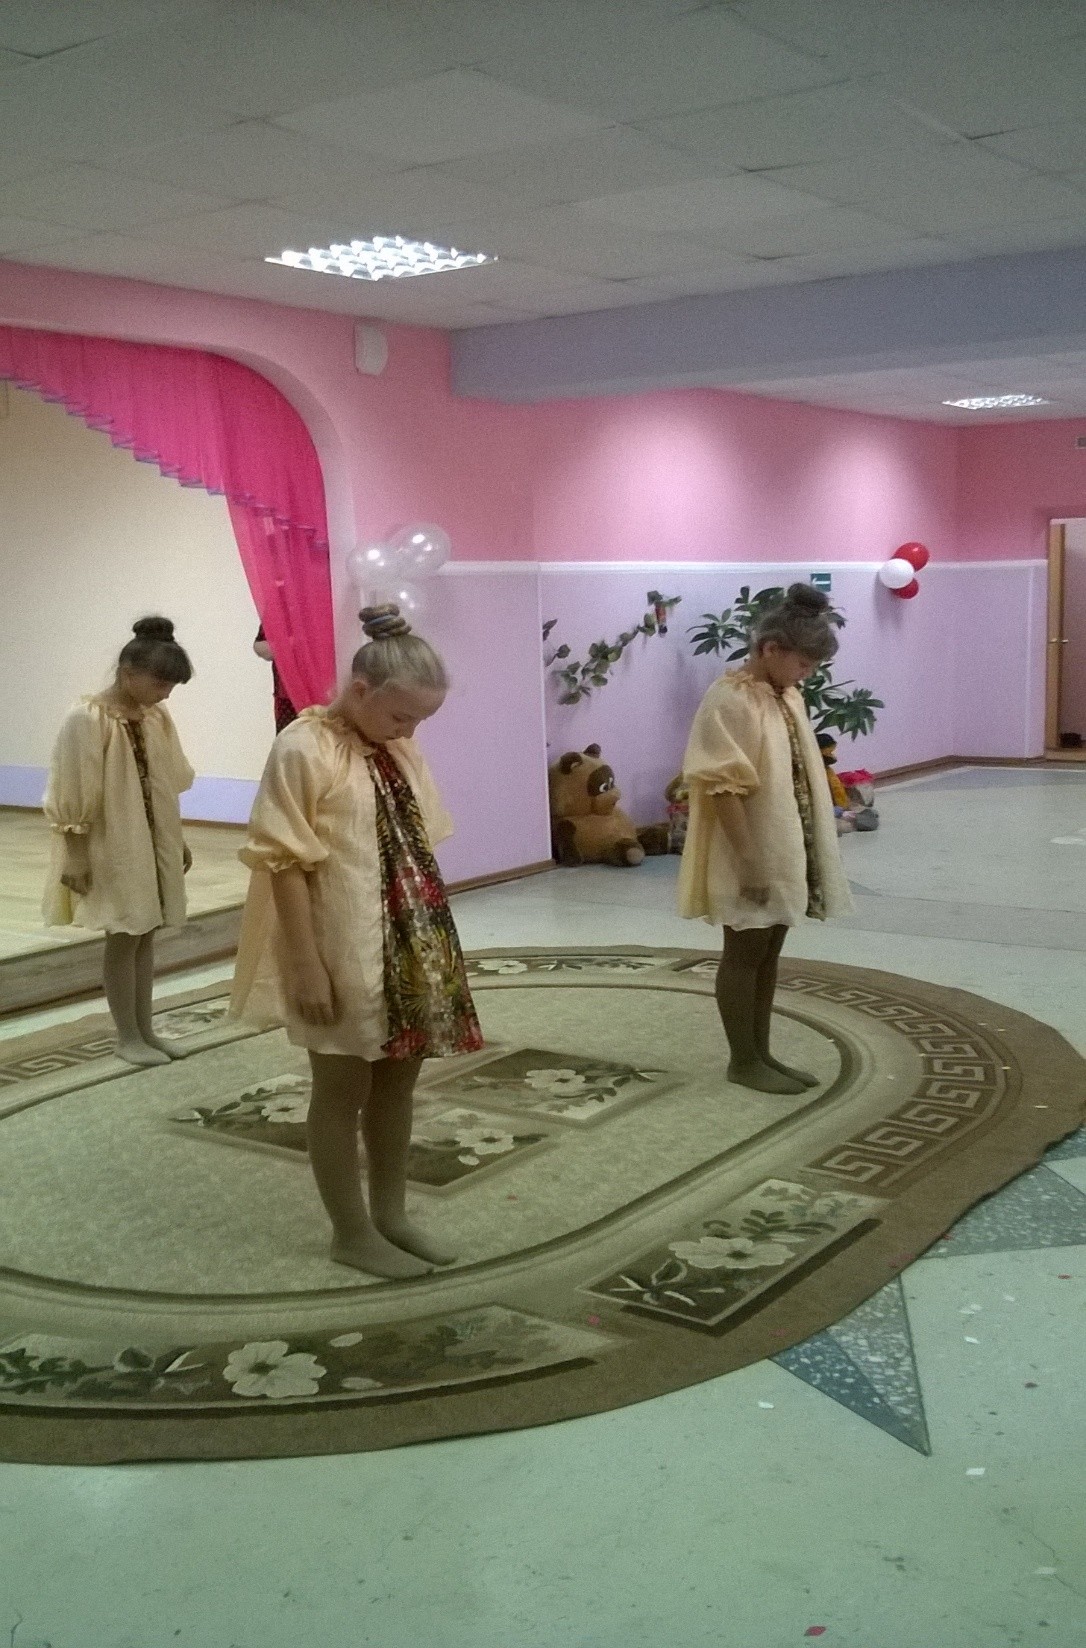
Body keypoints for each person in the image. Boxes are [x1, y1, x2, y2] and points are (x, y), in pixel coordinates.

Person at [230, 604, 483, 1279]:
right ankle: (350, 1231)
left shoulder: (396, 748)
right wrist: (305, 964)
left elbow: (416, 841)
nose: (409, 731)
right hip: (340, 944)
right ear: (362, 690)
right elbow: (282, 861)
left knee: (399, 1083)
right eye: (401, 716)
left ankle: (391, 1215)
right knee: (341, 1088)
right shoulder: (302, 749)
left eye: (420, 721)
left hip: (410, 937)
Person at [678, 584, 852, 1095]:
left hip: (782, 846)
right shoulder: (729, 699)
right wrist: (750, 861)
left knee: (769, 950)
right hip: (748, 850)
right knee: (744, 952)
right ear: (771, 649)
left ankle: (762, 1052)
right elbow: (723, 787)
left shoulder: (786, 694)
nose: (808, 674)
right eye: (804, 663)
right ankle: (743, 1060)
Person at [43, 617, 195, 1068]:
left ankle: (146, 1030)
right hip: (113, 843)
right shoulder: (86, 719)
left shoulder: (154, 717)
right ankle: (126, 1036)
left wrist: (176, 839)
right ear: (129, 673)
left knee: (146, 933)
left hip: (152, 839)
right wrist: (75, 855)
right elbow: (72, 787)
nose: (166, 694)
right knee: (125, 933)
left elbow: (165, 782)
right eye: (161, 683)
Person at [253, 624, 297, 733]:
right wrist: (293, 643)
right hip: (287, 698)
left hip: (328, 693)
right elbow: (260, 646)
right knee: (289, 739)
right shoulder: (280, 613)